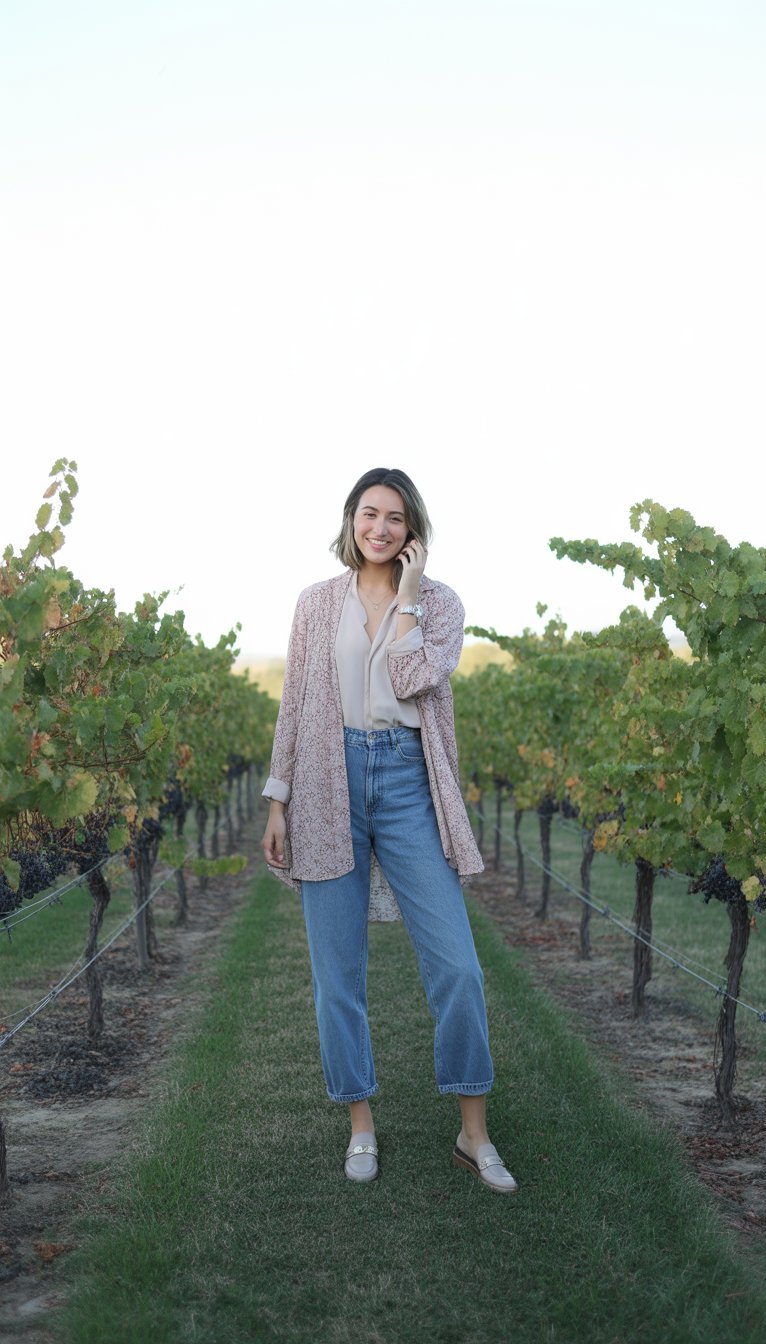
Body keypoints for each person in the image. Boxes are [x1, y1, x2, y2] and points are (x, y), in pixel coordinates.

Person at [261, 467, 517, 1194]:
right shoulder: (315, 604)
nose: (380, 528)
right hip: (325, 780)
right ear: (350, 521)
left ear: (413, 533)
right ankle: (361, 1123)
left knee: (458, 967)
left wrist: (406, 600)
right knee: (337, 976)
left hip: (406, 783)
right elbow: (294, 704)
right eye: (369, 514)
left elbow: (411, 682)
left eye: (395, 519)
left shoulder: (440, 604)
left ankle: (474, 1132)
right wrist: (277, 798)